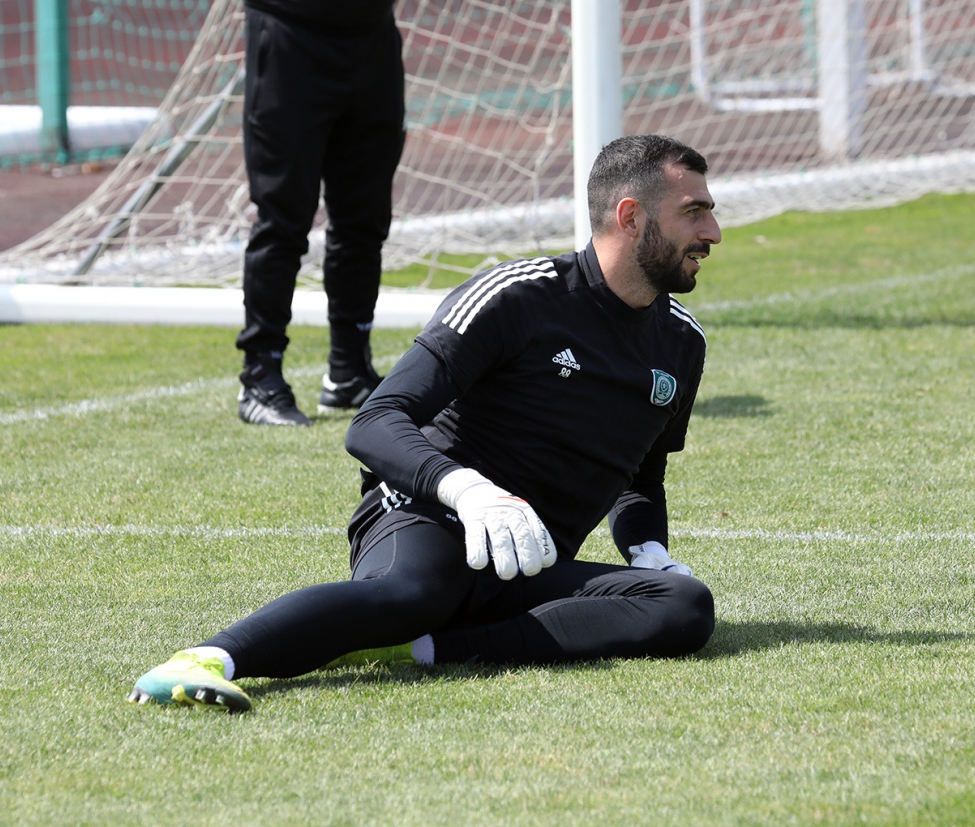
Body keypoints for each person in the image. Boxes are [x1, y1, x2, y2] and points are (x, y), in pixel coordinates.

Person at [129, 134, 722, 712]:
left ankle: (424, 650)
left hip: (526, 557)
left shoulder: (682, 342)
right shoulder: (519, 297)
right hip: (428, 518)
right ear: (630, 217)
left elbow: (641, 478)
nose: (713, 233)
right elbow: (375, 420)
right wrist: (470, 492)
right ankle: (205, 660)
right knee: (411, 596)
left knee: (682, 605)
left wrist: (648, 550)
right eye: (694, 212)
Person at [235, 0, 407, 426]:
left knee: (365, 218)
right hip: (291, 36)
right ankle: (260, 374)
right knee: (283, 217)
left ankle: (349, 370)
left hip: (373, 38)